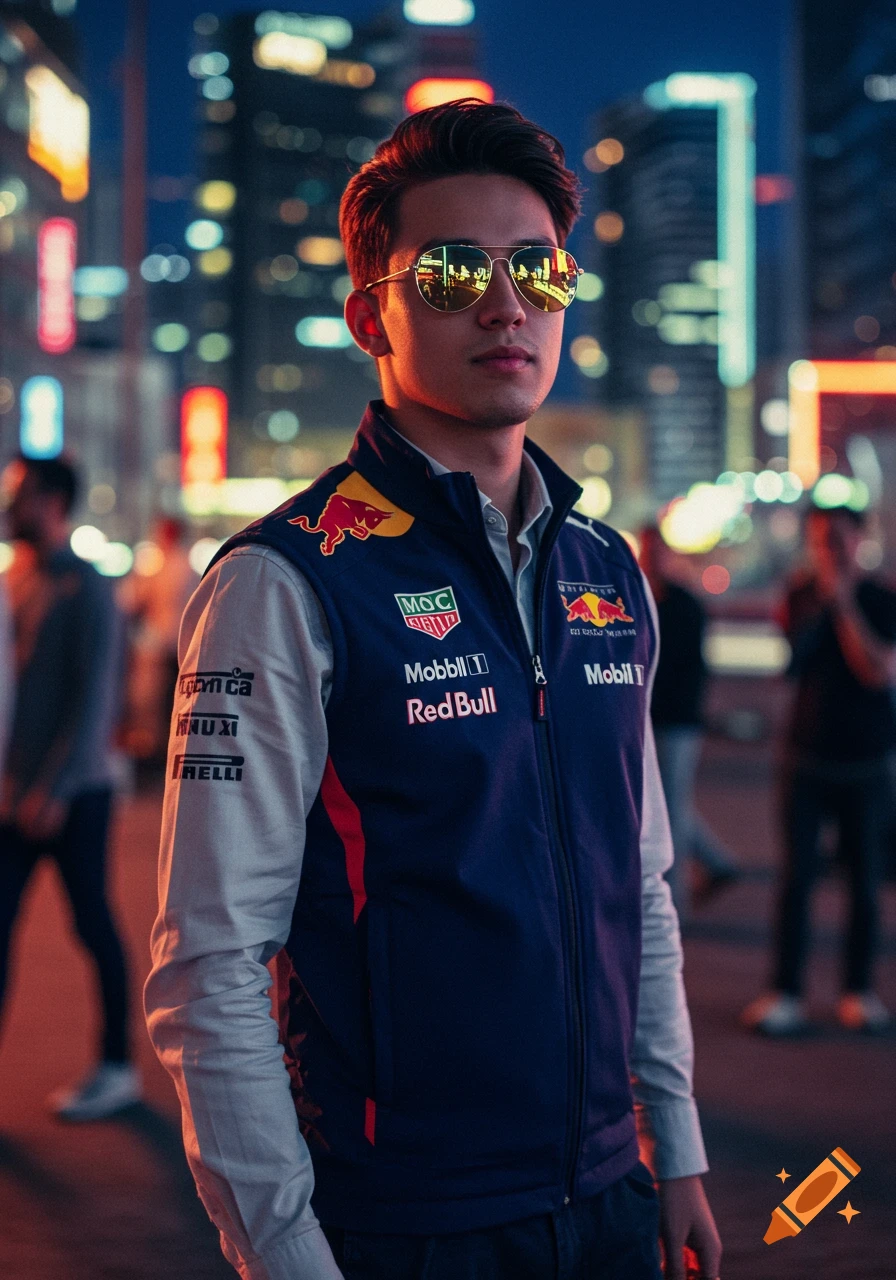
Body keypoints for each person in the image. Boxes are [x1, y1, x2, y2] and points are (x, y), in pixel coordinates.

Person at [145, 100, 721, 1280]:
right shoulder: (283, 579)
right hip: (407, 1219)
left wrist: (674, 1148)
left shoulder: (608, 572)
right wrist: (283, 1252)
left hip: (611, 1193)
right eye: (454, 271)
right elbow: (210, 960)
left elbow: (641, 885)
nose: (505, 304)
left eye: (537, 269)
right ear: (371, 314)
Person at [0, 456, 139, 1118]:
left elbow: (94, 699)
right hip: (13, 792)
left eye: (18, 492)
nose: (9, 502)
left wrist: (53, 789)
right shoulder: (15, 580)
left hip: (75, 794)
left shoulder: (87, 586)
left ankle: (117, 1066)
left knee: (92, 924)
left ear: (52, 501)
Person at [742, 504, 896, 1036]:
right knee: (796, 881)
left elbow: (876, 671)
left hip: (866, 764)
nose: (828, 550)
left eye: (838, 539)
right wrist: (817, 603)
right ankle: (785, 992)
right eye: (819, 540)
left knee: (864, 883)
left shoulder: (880, 597)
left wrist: (844, 601)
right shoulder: (801, 595)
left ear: (859, 539)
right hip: (805, 758)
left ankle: (858, 991)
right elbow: (791, 662)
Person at [639, 526, 740, 920]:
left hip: (676, 722)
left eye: (656, 551)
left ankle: (674, 900)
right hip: (650, 719)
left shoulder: (683, 605)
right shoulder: (639, 598)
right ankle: (717, 863)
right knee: (666, 803)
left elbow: (692, 668)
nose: (650, 559)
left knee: (669, 807)